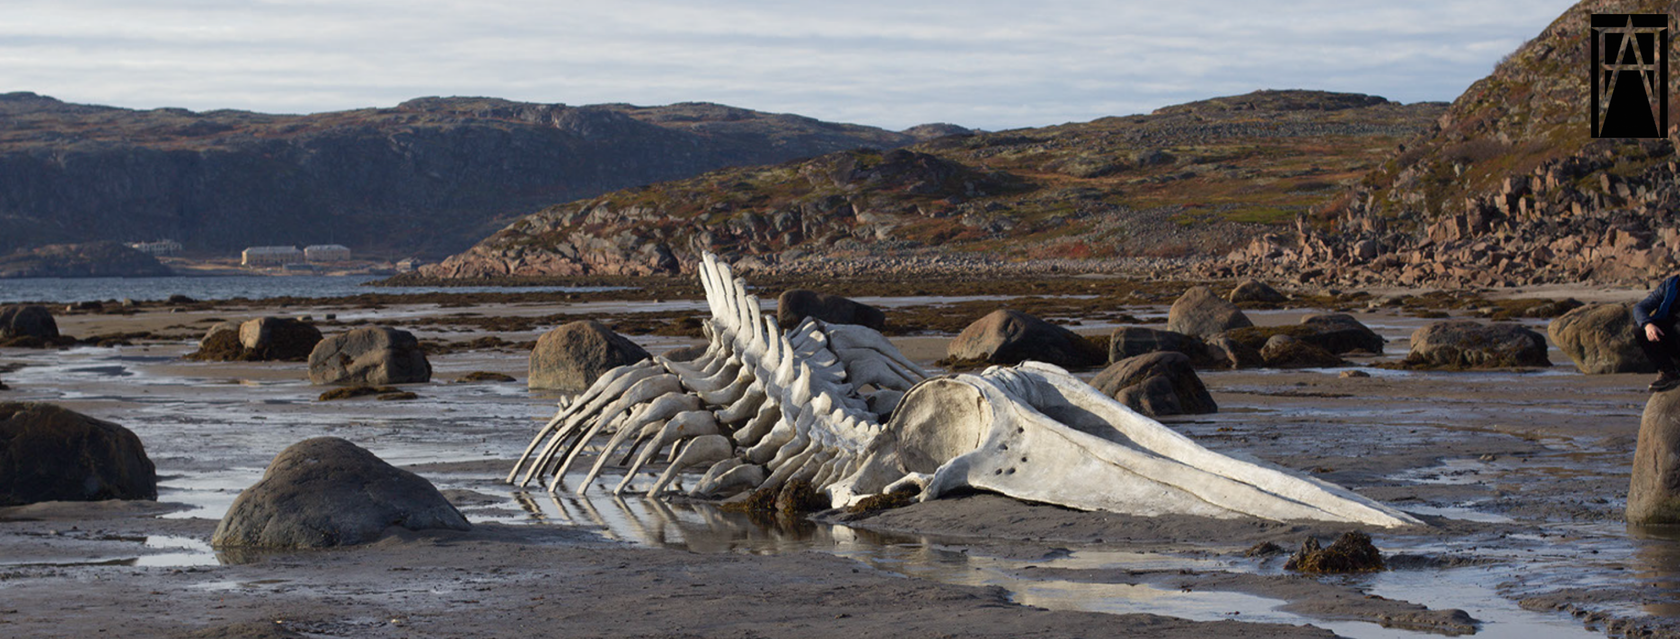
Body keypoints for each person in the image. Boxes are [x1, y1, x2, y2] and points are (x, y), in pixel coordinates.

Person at [1635, 274, 1680, 391]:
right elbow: (1640, 307)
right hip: (1671, 336)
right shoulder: (1671, 284)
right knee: (1640, 330)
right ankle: (1669, 373)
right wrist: (1647, 325)